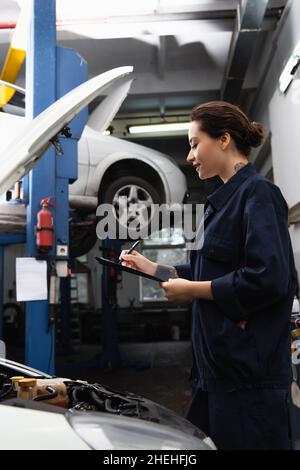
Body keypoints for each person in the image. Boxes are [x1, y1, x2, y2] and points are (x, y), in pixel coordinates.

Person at [119, 101, 297, 450]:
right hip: (214, 373)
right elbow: (203, 274)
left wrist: (194, 290)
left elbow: (269, 277)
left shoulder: (258, 194)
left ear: (224, 139)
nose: (190, 155)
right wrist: (151, 268)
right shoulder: (220, 204)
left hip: (248, 380)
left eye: (194, 143)